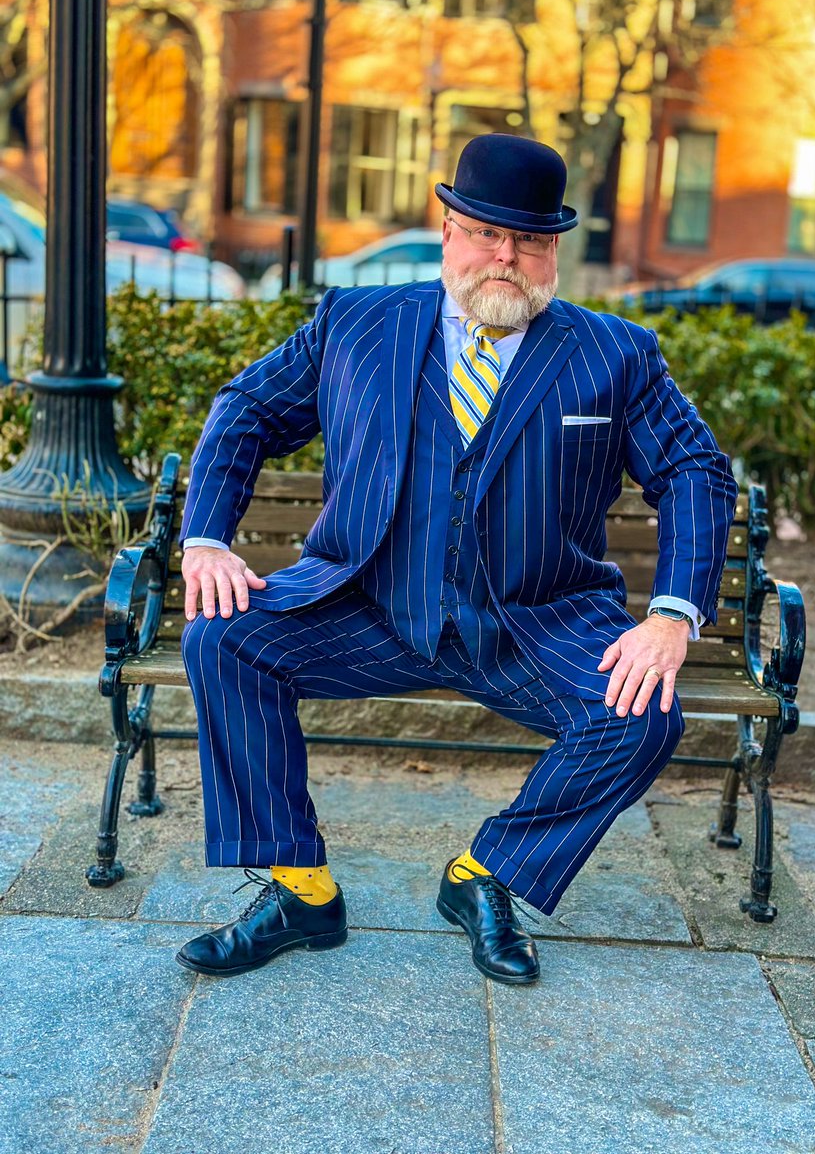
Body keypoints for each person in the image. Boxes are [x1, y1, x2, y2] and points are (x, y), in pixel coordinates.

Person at [174, 134, 737, 986]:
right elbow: (248, 407)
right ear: (447, 229)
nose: (506, 257)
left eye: (532, 241)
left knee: (642, 715)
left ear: (555, 252)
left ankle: (486, 876)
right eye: (486, 232)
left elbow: (695, 469)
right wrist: (207, 538)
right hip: (371, 605)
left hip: (535, 622)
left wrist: (671, 615)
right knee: (223, 640)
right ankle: (299, 891)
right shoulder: (355, 324)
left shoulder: (614, 354)